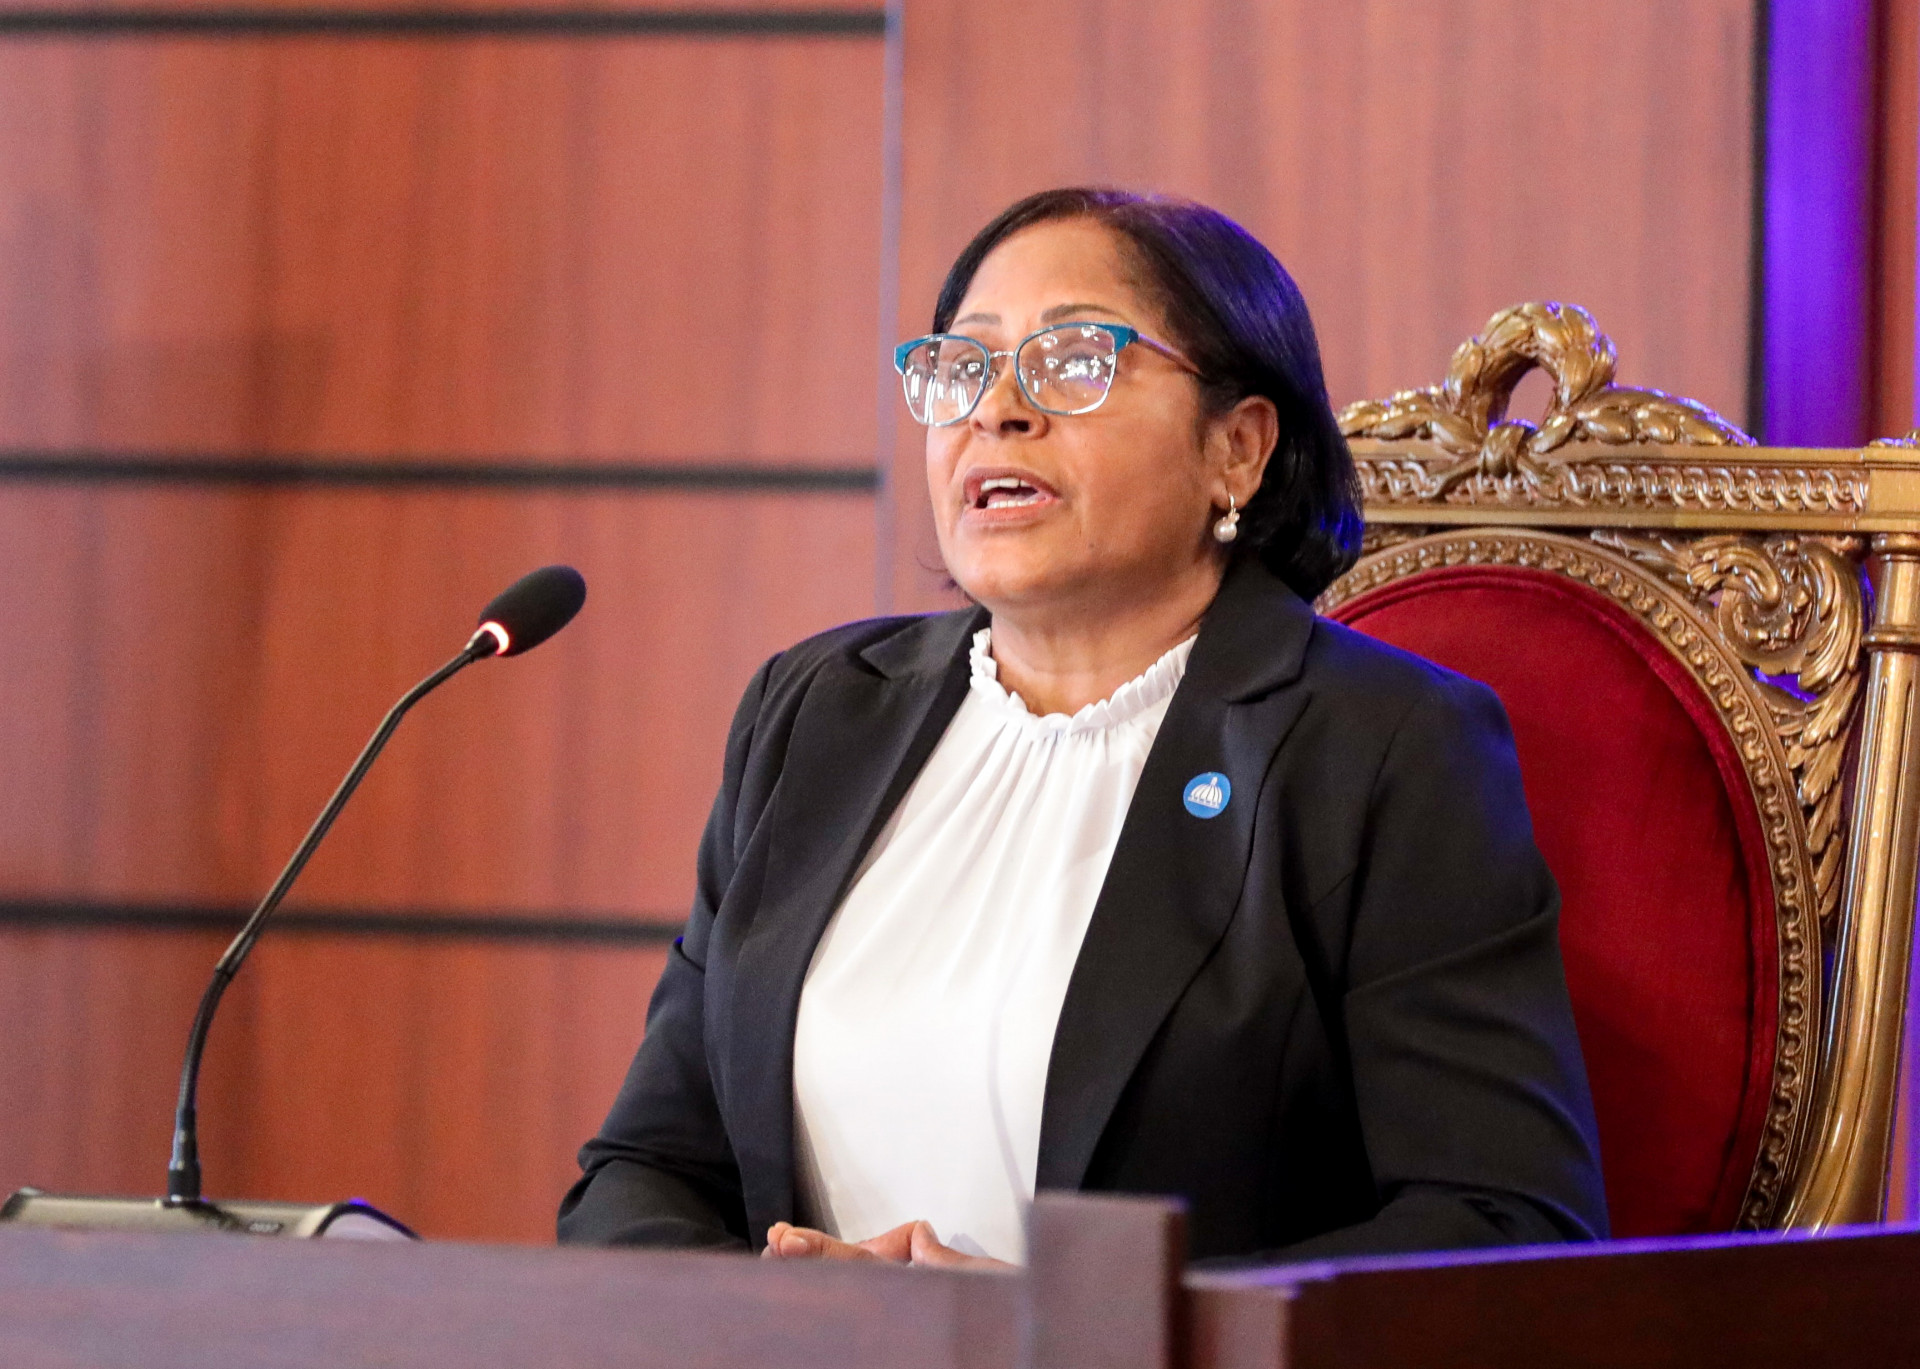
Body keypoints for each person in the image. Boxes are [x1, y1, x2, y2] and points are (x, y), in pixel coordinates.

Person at [558, 187, 1608, 1269]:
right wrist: (774, 1321)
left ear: (1238, 448)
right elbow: (644, 1170)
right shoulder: (815, 713)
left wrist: (1077, 1326)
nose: (996, 411)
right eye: (964, 365)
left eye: (1072, 360)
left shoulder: (1382, 747)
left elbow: (1506, 1224)